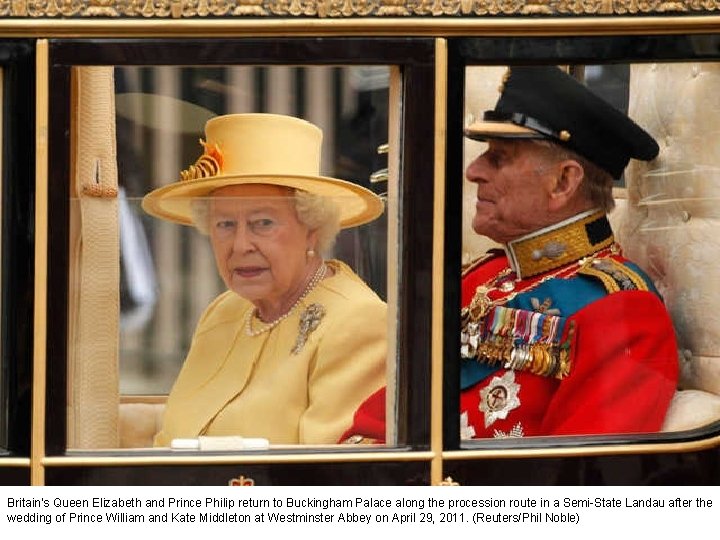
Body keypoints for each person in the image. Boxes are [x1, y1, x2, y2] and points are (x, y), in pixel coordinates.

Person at [340, 66, 679, 443]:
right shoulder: (480, 279)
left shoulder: (624, 311)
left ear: (563, 182)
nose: (473, 171)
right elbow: (381, 422)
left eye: (498, 158)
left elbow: (578, 487)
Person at [142, 113, 387, 446]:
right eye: (225, 225)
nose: (241, 245)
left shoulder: (358, 322)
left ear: (311, 230)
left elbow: (330, 480)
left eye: (263, 223)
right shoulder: (224, 310)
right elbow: (168, 443)